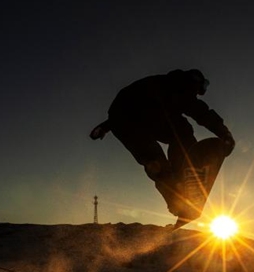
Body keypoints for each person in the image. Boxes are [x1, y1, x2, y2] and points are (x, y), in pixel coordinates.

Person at [90, 69, 235, 216]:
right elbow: (201, 112)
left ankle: (175, 201)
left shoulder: (160, 84)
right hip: (143, 116)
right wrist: (224, 133)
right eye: (201, 88)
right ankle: (184, 172)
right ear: (197, 82)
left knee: (155, 161)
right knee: (182, 129)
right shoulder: (182, 84)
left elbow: (130, 104)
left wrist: (107, 125)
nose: (198, 93)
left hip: (123, 121)